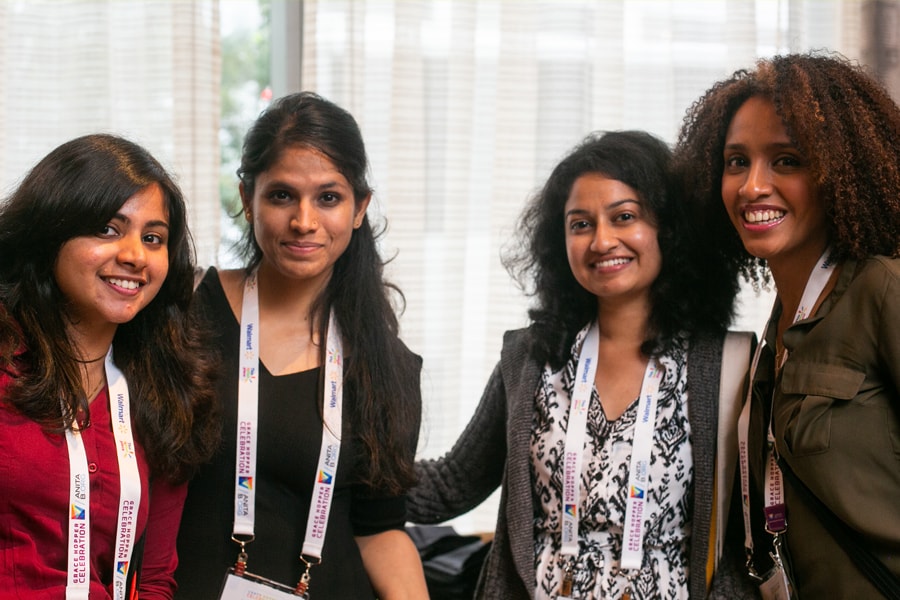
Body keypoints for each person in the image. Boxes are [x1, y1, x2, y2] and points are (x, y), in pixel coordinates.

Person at [408, 130, 756, 599]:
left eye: (624, 217)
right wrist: (325, 458)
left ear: (668, 230)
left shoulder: (726, 366)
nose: (601, 241)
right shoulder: (532, 359)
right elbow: (450, 485)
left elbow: (748, 539)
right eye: (580, 224)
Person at [175, 91, 428, 599]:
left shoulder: (387, 366)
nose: (304, 222)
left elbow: (380, 529)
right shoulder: (183, 312)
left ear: (360, 209)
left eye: (328, 198)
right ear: (248, 200)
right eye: (282, 195)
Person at [674, 51, 900, 598]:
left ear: (842, 172)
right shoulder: (773, 332)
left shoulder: (883, 289)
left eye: (787, 160)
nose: (752, 186)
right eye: (736, 162)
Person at [0, 133, 218, 598]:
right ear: (50, 230)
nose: (135, 255)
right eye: (107, 229)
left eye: (153, 238)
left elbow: (156, 578)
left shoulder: (165, 390)